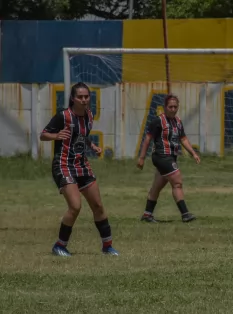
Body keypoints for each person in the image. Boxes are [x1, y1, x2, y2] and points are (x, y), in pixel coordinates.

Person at [40, 82, 118, 257]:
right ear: (73, 99)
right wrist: (56, 135)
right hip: (63, 165)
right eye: (80, 97)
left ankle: (107, 246)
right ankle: (60, 245)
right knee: (75, 206)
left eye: (86, 96)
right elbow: (43, 134)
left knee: (98, 206)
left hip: (82, 164)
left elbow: (81, 136)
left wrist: (92, 146)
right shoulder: (63, 116)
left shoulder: (89, 115)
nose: (84, 100)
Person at [137, 94, 200, 223]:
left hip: (171, 157)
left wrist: (193, 153)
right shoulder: (158, 121)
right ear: (165, 107)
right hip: (161, 157)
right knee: (177, 182)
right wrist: (142, 158)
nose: (173, 109)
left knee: (157, 187)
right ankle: (185, 214)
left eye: (175, 107)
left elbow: (183, 139)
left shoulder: (178, 122)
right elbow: (148, 139)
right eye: (170, 106)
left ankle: (147, 214)